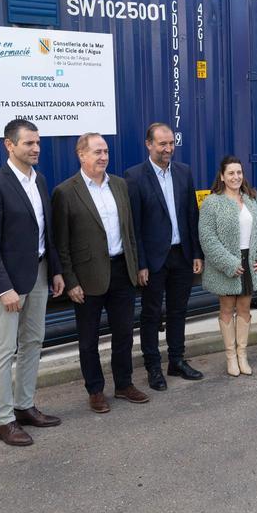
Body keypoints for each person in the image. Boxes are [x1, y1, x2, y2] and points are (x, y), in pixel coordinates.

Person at [0, 118, 65, 446]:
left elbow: (46, 231)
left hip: (39, 274)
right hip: (8, 285)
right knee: (3, 350)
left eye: (38, 142)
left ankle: (24, 406)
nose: (36, 148)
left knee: (33, 342)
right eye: (29, 143)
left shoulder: (39, 180)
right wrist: (3, 287)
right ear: (9, 145)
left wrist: (55, 271)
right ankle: (4, 421)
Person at [52, 132, 149, 413]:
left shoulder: (119, 185)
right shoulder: (66, 192)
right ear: (81, 155)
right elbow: (62, 242)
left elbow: (129, 230)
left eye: (105, 151)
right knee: (88, 339)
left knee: (123, 334)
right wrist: (70, 281)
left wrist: (138, 265)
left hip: (122, 270)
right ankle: (95, 390)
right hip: (86, 276)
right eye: (97, 152)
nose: (103, 156)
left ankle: (124, 384)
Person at [125, 123, 204, 391]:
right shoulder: (134, 177)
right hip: (154, 260)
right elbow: (134, 226)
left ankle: (177, 360)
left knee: (179, 311)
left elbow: (191, 215)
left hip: (181, 255)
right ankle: (153, 367)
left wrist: (196, 252)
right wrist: (141, 263)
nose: (168, 149)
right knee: (150, 315)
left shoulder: (184, 172)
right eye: (162, 144)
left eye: (171, 143)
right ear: (149, 144)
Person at [198, 156, 257, 376]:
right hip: (227, 264)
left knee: (244, 309)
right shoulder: (213, 202)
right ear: (222, 176)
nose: (236, 177)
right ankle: (230, 357)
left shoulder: (253, 197)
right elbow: (207, 237)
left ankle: (243, 355)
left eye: (239, 172)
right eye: (231, 173)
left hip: (250, 262)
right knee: (227, 308)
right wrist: (228, 263)